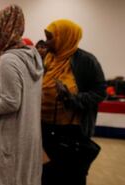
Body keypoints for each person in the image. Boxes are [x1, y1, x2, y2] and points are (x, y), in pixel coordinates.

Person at [0, 5, 43, 185]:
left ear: (3, 32)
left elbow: (11, 102)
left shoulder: (8, 60)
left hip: (11, 136)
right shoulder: (31, 55)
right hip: (28, 135)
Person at [41, 19, 106, 185]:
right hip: (45, 130)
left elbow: (99, 93)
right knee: (47, 176)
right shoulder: (48, 59)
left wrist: (71, 99)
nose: (46, 43)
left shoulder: (86, 61)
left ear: (65, 37)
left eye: (50, 38)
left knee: (70, 177)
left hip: (72, 132)